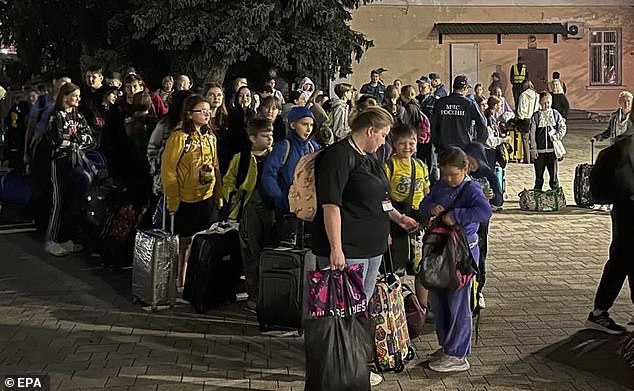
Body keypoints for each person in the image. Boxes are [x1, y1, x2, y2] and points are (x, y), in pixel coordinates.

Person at [311, 105, 418, 386]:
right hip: (349, 248)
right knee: (341, 310)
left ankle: (354, 362)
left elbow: (381, 197)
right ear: (370, 131)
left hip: (373, 247)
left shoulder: (370, 157)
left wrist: (396, 218)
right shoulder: (338, 156)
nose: (384, 141)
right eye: (382, 135)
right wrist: (336, 248)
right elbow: (330, 205)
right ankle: (341, 366)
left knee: (359, 310)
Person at [419, 147, 492, 372]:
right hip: (440, 251)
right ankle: (447, 346)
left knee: (458, 303)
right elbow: (423, 206)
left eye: (454, 174)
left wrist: (457, 215)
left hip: (462, 254)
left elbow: (484, 211)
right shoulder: (440, 186)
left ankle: (458, 353)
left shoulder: (471, 190)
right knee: (440, 301)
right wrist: (431, 208)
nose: (449, 179)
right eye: (445, 174)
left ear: (465, 169)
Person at [161, 95, 223, 290]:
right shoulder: (179, 138)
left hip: (207, 196)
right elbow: (168, 170)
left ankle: (200, 279)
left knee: (205, 239)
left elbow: (216, 166)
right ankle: (181, 280)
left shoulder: (210, 138)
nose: (207, 114)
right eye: (201, 111)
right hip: (185, 199)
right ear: (189, 114)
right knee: (184, 242)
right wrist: (173, 199)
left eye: (208, 110)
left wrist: (218, 194)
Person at [585, 116, 634, 334]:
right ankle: (598, 312)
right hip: (628, 210)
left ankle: (599, 312)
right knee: (622, 259)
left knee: (623, 259)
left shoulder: (624, 143)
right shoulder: (626, 146)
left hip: (625, 209)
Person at [222, 117, 275, 313]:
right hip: (249, 210)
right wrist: (233, 197)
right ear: (252, 138)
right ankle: (254, 297)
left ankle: (268, 294)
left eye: (271, 135)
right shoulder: (242, 158)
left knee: (268, 253)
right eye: (265, 135)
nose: (269, 139)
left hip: (271, 209)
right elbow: (228, 181)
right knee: (251, 253)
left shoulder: (275, 155)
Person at [384, 124, 430, 305]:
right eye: (402, 143)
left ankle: (423, 307)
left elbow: (427, 192)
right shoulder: (389, 166)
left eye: (411, 143)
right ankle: (398, 307)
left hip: (418, 223)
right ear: (394, 144)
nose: (407, 147)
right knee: (398, 268)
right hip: (396, 221)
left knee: (421, 268)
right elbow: (383, 197)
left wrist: (429, 216)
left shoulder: (420, 166)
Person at [45, 83, 93, 256]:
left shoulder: (79, 116)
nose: (78, 99)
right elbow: (57, 140)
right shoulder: (55, 116)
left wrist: (73, 139)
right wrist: (75, 139)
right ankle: (52, 240)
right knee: (59, 201)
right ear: (65, 96)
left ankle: (68, 238)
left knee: (74, 201)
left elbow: (89, 137)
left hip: (76, 162)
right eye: (75, 96)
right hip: (59, 163)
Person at [464, 142, 504, 310]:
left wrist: (492, 195)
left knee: (479, 256)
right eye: (466, 161)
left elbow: (499, 200)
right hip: (464, 224)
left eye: (472, 161)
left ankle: (478, 290)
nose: (469, 165)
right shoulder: (460, 173)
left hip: (480, 224)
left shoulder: (489, 175)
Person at [261, 106, 320, 215]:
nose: (308, 129)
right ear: (293, 125)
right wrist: (280, 198)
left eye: (311, 125)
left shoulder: (313, 147)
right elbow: (268, 175)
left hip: (309, 207)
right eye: (304, 124)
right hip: (286, 209)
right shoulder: (283, 147)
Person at [147, 90, 194, 196]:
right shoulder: (165, 124)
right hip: (166, 179)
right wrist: (157, 167)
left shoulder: (195, 124)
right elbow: (152, 147)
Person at [431, 75, 487, 154]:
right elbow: (482, 124)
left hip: (444, 148)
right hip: (464, 148)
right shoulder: (469, 103)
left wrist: (437, 144)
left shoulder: (440, 103)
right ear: (465, 88)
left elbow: (433, 125)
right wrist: (478, 145)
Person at [529, 91, 567, 190]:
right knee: (539, 178)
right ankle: (537, 197)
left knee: (554, 177)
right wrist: (534, 149)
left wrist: (557, 136)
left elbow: (562, 127)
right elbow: (532, 134)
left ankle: (556, 197)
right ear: (540, 103)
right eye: (544, 102)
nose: (547, 105)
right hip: (540, 152)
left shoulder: (555, 114)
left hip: (552, 151)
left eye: (549, 102)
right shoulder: (536, 116)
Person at [516, 80, 540, 164]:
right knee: (533, 139)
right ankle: (534, 158)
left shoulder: (523, 95)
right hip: (534, 119)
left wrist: (520, 117)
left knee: (525, 141)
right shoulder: (537, 95)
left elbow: (521, 109)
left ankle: (527, 159)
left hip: (525, 120)